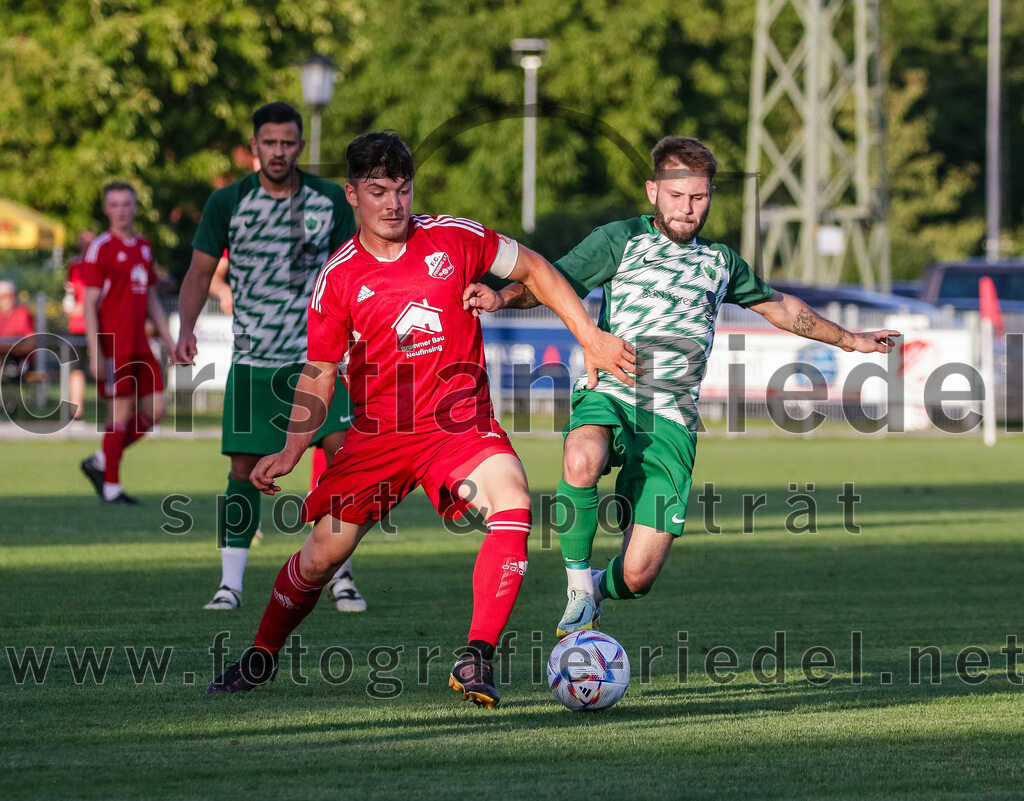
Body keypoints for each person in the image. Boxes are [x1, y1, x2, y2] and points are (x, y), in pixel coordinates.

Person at [205, 131, 638, 707]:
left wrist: (589, 336)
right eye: (378, 191)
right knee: (320, 557)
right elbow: (321, 371)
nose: (393, 204)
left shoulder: (454, 237)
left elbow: (535, 268)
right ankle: (260, 656)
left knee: (513, 502)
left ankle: (476, 657)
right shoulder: (338, 277)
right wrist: (290, 450)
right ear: (352, 194)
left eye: (402, 189)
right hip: (380, 435)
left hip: (459, 425)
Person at [464, 135, 900, 637]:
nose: (686, 208)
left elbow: (780, 306)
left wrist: (850, 339)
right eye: (676, 195)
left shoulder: (721, 263)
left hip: (672, 420)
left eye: (698, 197)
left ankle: (599, 590)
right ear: (653, 191)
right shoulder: (621, 239)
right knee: (581, 457)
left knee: (638, 576)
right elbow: (550, 281)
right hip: (612, 392)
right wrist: (500, 298)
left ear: (710, 196)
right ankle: (578, 588)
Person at [174, 102, 365, 613]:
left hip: (318, 360)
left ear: (300, 145)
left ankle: (342, 575)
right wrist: (186, 329)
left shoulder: (329, 199)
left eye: (287, 143)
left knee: (343, 458)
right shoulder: (227, 201)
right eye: (270, 143)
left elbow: (352, 271)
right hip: (253, 361)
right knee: (243, 470)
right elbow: (199, 272)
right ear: (255, 146)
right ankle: (230, 584)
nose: (278, 151)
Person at [79, 183, 174, 505]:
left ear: (135, 207)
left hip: (141, 345)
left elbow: (151, 297)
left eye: (126, 204)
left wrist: (169, 338)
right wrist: (95, 351)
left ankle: (101, 460)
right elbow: (89, 305)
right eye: (114, 204)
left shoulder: (144, 247)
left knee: (156, 410)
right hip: (113, 345)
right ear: (106, 209)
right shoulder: (100, 248)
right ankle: (112, 488)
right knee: (119, 413)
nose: (121, 210)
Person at [64, 231, 97, 421]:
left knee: (107, 368)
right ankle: (76, 414)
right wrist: (72, 307)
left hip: (99, 324)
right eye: (83, 242)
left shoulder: (102, 264)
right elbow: (70, 294)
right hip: (77, 327)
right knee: (76, 369)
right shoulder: (74, 266)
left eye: (90, 242)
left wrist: (83, 308)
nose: (86, 246)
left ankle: (117, 413)